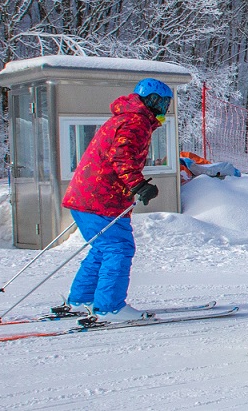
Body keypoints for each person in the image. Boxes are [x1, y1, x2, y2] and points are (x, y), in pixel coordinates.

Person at [59, 78, 170, 323]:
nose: (164, 109)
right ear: (150, 100)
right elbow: (122, 155)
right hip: (102, 198)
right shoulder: (135, 121)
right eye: (161, 103)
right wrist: (138, 184)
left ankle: (82, 299)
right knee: (118, 248)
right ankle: (109, 307)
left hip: (87, 196)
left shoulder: (126, 117)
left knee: (103, 248)